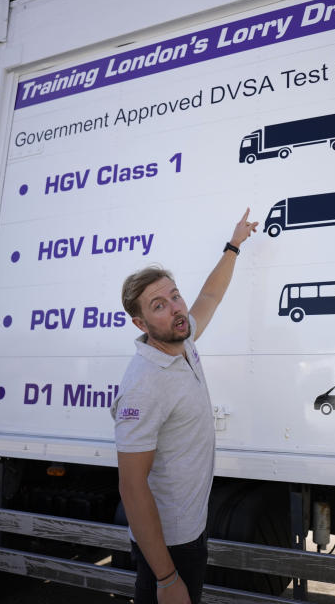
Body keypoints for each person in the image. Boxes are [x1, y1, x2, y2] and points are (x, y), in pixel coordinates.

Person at [112, 208, 258, 604]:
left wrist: (234, 245)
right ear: (141, 324)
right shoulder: (144, 385)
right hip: (169, 545)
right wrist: (165, 577)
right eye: (158, 305)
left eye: (174, 295)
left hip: (191, 528)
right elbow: (131, 485)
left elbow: (210, 295)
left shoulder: (181, 339)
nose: (176, 308)